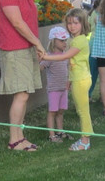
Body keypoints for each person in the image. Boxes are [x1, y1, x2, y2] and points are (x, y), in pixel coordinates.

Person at [0, 0, 46, 151]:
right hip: (14, 48)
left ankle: (20, 137)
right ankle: (14, 140)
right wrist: (38, 43)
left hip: (26, 47)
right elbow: (17, 22)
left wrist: (34, 44)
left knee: (24, 94)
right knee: (22, 94)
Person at [40, 9, 94, 151]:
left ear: (83, 24)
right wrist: (69, 79)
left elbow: (65, 56)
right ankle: (85, 138)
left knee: (82, 111)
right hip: (78, 78)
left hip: (81, 80)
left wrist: (46, 57)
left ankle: (85, 141)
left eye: (76, 23)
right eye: (69, 23)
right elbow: (71, 62)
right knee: (81, 110)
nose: (72, 26)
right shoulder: (75, 40)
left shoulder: (79, 41)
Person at [40, 25, 70, 142]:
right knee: (52, 112)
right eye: (61, 40)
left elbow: (67, 69)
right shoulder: (49, 57)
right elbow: (41, 67)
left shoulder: (65, 55)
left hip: (64, 88)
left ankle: (60, 131)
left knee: (61, 111)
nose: (64, 43)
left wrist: (68, 82)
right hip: (54, 89)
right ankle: (52, 135)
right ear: (53, 41)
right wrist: (39, 60)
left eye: (65, 40)